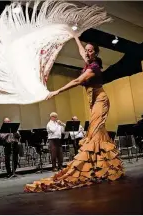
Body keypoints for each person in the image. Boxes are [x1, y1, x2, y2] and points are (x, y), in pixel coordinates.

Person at [24, 37, 124, 192]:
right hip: (93, 101)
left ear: (95, 53)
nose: (87, 52)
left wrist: (57, 91)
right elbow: (80, 51)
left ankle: (96, 167)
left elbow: (78, 81)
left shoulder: (95, 67)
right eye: (87, 50)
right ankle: (102, 166)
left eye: (91, 50)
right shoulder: (88, 61)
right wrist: (75, 36)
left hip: (100, 99)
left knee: (95, 132)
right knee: (97, 132)